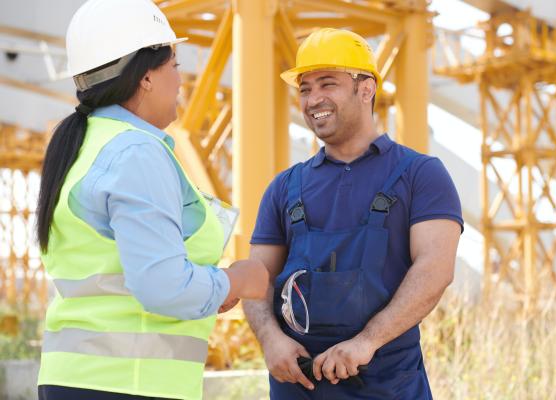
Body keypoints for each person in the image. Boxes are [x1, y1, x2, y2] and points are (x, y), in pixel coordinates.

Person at [35, 1, 268, 399]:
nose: (181, 80)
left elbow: (126, 278)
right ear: (145, 76)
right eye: (174, 65)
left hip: (78, 379)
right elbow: (161, 285)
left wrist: (208, 289)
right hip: (129, 384)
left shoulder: (85, 146)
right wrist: (238, 279)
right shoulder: (135, 152)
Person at [243, 28, 463, 399]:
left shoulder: (420, 174)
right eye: (305, 88)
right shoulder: (284, 187)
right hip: (298, 384)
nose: (314, 100)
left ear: (366, 89)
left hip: (386, 383)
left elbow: (435, 269)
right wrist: (270, 339)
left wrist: (366, 342)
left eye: (327, 84)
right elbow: (256, 278)